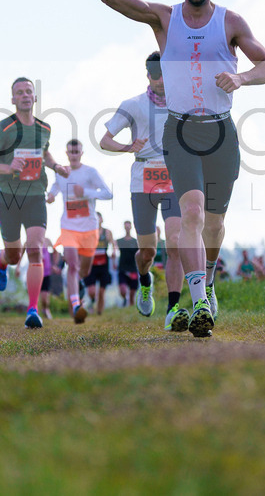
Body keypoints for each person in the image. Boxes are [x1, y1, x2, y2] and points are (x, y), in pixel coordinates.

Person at [94, 0, 265, 337]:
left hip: (220, 134)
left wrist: (242, 79)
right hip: (179, 132)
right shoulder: (164, 17)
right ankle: (198, 304)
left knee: (213, 224)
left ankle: (209, 282)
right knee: (190, 214)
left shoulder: (231, 21)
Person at [99, 52, 187, 331]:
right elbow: (105, 140)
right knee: (147, 250)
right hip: (143, 180)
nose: (160, 81)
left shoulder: (182, 103)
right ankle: (145, 280)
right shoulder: (133, 105)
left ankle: (173, 309)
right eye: (155, 75)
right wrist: (127, 147)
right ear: (147, 75)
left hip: (174, 178)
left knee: (174, 241)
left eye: (165, 74)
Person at [0, 77, 70, 329]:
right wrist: (8, 167)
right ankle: (2, 260)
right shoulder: (5, 128)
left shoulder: (44, 128)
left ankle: (32, 310)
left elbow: (45, 151)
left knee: (35, 248)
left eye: (28, 91)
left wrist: (56, 166)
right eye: (19, 92)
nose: (25, 95)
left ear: (35, 97)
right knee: (14, 254)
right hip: (8, 196)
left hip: (35, 195)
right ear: (13, 99)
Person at [47, 139, 112, 323]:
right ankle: (76, 305)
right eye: (71, 152)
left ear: (81, 153)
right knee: (72, 265)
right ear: (66, 153)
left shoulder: (90, 172)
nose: (74, 155)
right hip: (68, 227)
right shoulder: (62, 173)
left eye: (77, 151)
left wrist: (85, 192)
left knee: (84, 269)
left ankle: (80, 286)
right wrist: (51, 195)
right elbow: (56, 186)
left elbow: (108, 193)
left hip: (89, 229)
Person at [83, 211, 116, 315]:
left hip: (103, 264)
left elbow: (113, 244)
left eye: (99, 218)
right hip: (91, 264)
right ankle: (92, 300)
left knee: (102, 292)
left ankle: (99, 313)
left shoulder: (107, 232)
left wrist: (114, 252)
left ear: (102, 220)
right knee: (92, 291)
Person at [115, 220, 140, 307]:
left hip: (133, 269)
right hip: (122, 268)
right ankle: (125, 299)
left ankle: (130, 308)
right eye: (126, 226)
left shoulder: (135, 241)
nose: (127, 228)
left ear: (131, 227)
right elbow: (114, 251)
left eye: (128, 226)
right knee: (123, 290)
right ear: (124, 228)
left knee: (132, 292)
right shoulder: (119, 241)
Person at [39, 237, 61, 319]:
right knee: (37, 295)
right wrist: (18, 267)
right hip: (34, 273)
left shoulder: (47, 240)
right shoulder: (29, 240)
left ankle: (46, 309)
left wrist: (54, 265)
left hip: (46, 273)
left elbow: (55, 251)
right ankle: (34, 311)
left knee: (44, 297)